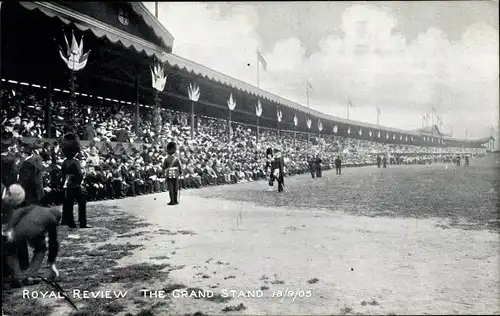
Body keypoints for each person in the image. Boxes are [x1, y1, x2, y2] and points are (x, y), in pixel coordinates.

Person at [3, 205, 61, 287]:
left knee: (11, 250)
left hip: (18, 230)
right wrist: (52, 263)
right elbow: (53, 243)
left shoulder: (34, 207)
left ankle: (17, 277)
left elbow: (17, 212)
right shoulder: (52, 219)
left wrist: (10, 228)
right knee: (41, 248)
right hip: (34, 233)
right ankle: (31, 274)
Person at [61, 133, 88, 228]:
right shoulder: (76, 162)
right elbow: (79, 175)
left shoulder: (65, 162)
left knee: (69, 205)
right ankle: (82, 223)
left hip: (68, 186)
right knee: (82, 204)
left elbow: (63, 174)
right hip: (76, 186)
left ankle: (70, 222)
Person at [18, 141, 44, 206]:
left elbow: (26, 178)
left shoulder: (28, 163)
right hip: (35, 185)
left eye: (22, 153)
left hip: (29, 187)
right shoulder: (34, 159)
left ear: (25, 153)